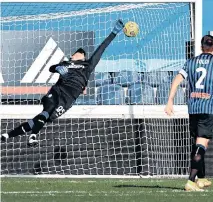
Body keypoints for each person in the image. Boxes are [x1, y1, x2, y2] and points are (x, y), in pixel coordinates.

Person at [1, 19, 124, 147]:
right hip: (58, 90)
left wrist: (114, 33)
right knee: (47, 110)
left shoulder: (87, 66)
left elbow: (101, 49)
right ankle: (33, 136)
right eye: (74, 54)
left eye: (77, 53)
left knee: (40, 119)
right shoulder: (66, 63)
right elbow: (51, 68)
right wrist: (57, 68)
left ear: (83, 57)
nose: (74, 55)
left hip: (68, 99)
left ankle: (7, 135)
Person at [165, 35, 213, 191]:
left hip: (193, 108)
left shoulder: (190, 62)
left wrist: (170, 101)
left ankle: (201, 178)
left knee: (198, 143)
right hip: (207, 109)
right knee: (202, 144)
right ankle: (191, 181)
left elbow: (177, 79)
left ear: (201, 47)